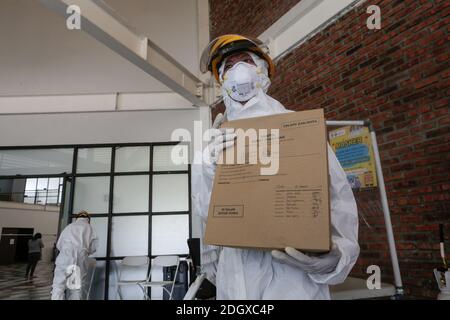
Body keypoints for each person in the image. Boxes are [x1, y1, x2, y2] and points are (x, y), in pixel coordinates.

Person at [193, 34, 360, 299]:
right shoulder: (215, 143)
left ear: (262, 70)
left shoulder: (301, 131)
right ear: (222, 80)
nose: (238, 69)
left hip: (293, 279)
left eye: (245, 60)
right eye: (229, 65)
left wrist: (337, 256)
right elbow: (205, 217)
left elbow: (338, 201)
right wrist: (210, 166)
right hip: (234, 280)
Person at [51, 210, 98, 300]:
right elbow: (93, 248)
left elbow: (59, 245)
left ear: (77, 218)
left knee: (58, 287)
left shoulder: (69, 227)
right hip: (81, 258)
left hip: (65, 256)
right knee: (76, 288)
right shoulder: (90, 228)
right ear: (88, 219)